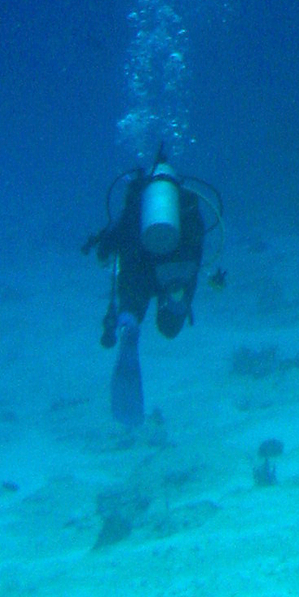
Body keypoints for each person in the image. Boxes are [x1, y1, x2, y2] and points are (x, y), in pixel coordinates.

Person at [83, 153, 219, 427]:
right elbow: (199, 244)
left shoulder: (136, 202)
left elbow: (107, 249)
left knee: (132, 305)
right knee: (169, 327)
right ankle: (175, 303)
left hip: (139, 276)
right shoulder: (186, 202)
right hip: (173, 275)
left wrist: (103, 249)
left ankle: (128, 324)